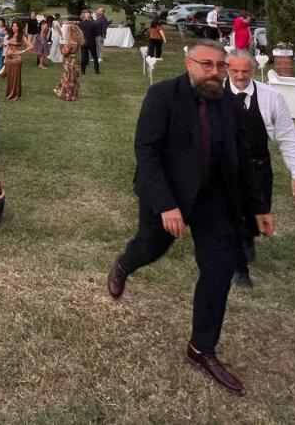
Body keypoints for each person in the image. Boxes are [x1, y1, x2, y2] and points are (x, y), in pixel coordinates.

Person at [106, 39, 271, 396]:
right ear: (188, 63)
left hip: (213, 198)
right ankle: (123, 265)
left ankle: (201, 347)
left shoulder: (227, 102)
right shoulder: (163, 96)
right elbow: (146, 152)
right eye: (207, 65)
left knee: (218, 269)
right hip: (168, 192)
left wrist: (258, 206)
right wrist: (166, 205)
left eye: (220, 66)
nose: (215, 72)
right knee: (151, 246)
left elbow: (241, 155)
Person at [225, 50, 295, 287]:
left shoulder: (271, 97)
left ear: (253, 70)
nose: (240, 76)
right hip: (224, 165)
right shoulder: (215, 93)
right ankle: (237, 265)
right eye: (234, 71)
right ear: (227, 69)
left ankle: (247, 236)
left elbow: (288, 136)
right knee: (226, 214)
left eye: (245, 71)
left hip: (257, 165)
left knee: (253, 213)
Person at [4, 21, 33, 101]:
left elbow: (31, 46)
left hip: (17, 59)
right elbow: (7, 47)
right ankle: (10, 93)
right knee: (10, 77)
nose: (14, 27)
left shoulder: (22, 36)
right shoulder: (10, 35)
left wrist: (21, 52)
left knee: (16, 77)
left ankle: (16, 94)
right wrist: (5, 58)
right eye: (13, 26)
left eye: (16, 26)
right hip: (9, 59)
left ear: (19, 27)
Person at [54, 20, 83, 101]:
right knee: (74, 79)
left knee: (69, 79)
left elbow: (64, 53)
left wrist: (61, 49)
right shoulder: (78, 41)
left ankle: (68, 95)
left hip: (70, 63)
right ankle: (73, 95)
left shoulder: (71, 43)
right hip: (76, 62)